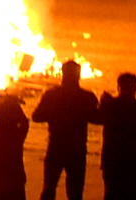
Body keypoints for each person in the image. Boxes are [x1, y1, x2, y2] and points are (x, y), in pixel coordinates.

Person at [32, 61, 100, 200]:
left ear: (63, 74)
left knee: (49, 187)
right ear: (79, 75)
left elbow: (36, 117)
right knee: (75, 191)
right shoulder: (87, 97)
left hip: (56, 145)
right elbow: (98, 119)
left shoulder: (52, 94)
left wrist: (54, 113)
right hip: (77, 148)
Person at [96, 74, 136, 200]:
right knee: (127, 193)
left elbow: (99, 119)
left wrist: (103, 103)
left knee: (113, 193)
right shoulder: (135, 107)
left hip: (115, 158)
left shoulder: (113, 105)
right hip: (127, 159)